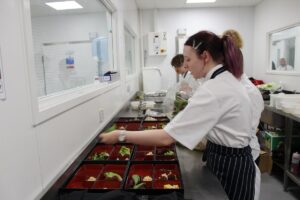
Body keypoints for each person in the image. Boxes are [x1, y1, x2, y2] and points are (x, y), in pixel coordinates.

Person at [100, 30, 255, 200]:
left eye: (188, 59)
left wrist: (120, 135)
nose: (186, 66)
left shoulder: (214, 89)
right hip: (230, 158)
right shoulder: (224, 79)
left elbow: (166, 138)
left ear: (205, 56)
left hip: (230, 165)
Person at [223, 29, 264, 200]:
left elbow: (247, 130)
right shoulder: (225, 85)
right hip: (227, 156)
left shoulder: (249, 92)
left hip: (244, 156)